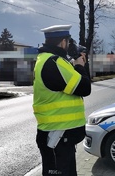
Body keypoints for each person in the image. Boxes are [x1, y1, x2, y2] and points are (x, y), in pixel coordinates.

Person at [32, 25, 91, 176]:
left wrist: (76, 64)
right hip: (57, 136)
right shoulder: (53, 63)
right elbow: (84, 88)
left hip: (60, 136)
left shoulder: (49, 60)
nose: (69, 46)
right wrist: (80, 66)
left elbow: (67, 82)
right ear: (62, 42)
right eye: (68, 42)